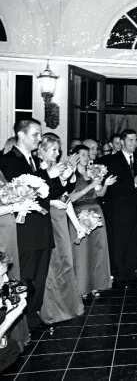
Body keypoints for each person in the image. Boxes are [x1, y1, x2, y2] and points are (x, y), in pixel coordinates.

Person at [0, 119, 53, 328]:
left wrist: (59, 179)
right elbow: (18, 190)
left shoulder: (34, 160)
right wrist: (48, 175)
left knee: (40, 276)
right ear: (21, 135)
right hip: (26, 230)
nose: (39, 139)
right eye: (35, 134)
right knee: (27, 275)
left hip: (42, 227)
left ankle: (34, 315)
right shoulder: (9, 160)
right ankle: (24, 321)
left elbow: (47, 194)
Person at [37, 134, 84, 324]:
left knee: (66, 261)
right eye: (53, 150)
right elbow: (45, 195)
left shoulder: (55, 168)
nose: (57, 154)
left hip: (60, 217)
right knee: (54, 263)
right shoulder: (39, 170)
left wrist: (68, 174)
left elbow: (65, 195)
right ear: (42, 150)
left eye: (58, 149)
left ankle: (68, 305)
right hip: (48, 218)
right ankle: (52, 310)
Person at [104, 129, 137, 286]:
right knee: (119, 242)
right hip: (119, 209)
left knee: (134, 242)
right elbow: (112, 187)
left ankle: (131, 273)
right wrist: (134, 181)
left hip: (136, 208)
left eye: (135, 140)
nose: (134, 143)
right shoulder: (111, 160)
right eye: (131, 140)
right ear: (123, 142)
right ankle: (119, 275)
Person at [69, 145, 116, 297]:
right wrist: (90, 185)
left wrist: (106, 185)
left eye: (87, 155)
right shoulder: (71, 175)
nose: (86, 157)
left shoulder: (92, 172)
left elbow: (99, 194)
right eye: (82, 154)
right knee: (82, 251)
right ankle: (82, 287)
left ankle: (96, 284)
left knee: (97, 249)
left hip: (96, 212)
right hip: (79, 212)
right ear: (75, 156)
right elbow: (70, 198)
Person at [0, 170, 37, 351]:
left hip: (8, 228)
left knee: (10, 279)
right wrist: (12, 208)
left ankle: (17, 335)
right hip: (1, 229)